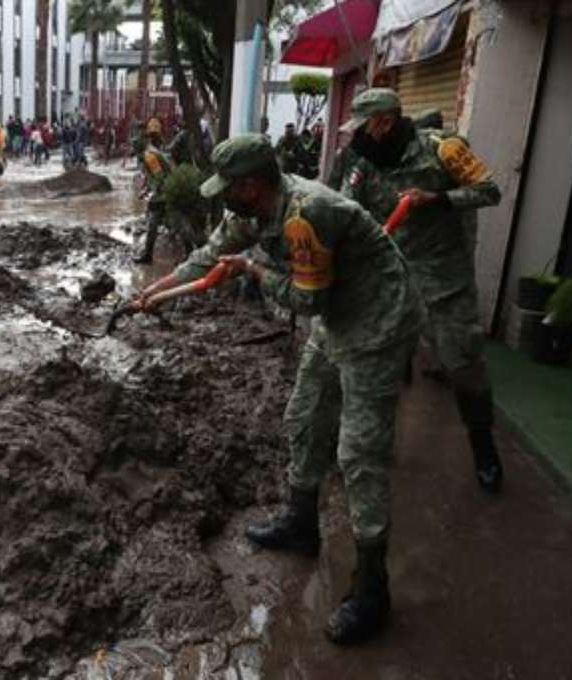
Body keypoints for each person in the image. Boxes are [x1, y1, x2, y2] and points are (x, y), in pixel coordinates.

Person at [133, 134, 421, 645]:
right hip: (337, 317)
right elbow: (211, 252)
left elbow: (304, 302)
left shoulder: (305, 214)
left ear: (251, 184)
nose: (221, 195)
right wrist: (154, 292)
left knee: (358, 454)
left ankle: (373, 590)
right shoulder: (251, 209)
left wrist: (253, 270)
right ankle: (300, 523)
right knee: (305, 415)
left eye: (228, 186)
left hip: (378, 321)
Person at [335, 88, 504, 492]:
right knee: (384, 368)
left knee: (462, 364)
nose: (355, 135)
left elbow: (490, 190)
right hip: (390, 279)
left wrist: (438, 198)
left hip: (444, 281)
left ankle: (484, 447)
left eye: (363, 126)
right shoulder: (361, 159)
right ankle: (380, 446)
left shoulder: (441, 150)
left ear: (386, 122)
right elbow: (345, 206)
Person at [133, 118, 173, 264]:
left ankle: (148, 255)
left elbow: (159, 177)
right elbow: (151, 176)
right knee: (176, 223)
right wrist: (145, 188)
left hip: (163, 193)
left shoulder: (149, 155)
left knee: (153, 224)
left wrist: (150, 193)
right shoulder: (149, 153)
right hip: (166, 191)